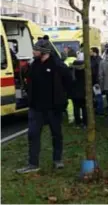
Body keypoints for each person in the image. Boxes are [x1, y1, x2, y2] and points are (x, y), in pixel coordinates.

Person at [17, 40, 72, 174]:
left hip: (53, 107)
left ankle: (57, 160)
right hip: (36, 107)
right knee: (33, 134)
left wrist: (62, 99)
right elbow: (28, 81)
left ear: (44, 51)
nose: (33, 52)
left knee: (56, 134)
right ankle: (33, 163)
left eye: (36, 49)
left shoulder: (58, 65)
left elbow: (69, 82)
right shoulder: (34, 65)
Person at [69, 55, 88, 128]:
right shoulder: (85, 72)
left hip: (74, 93)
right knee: (84, 108)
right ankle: (85, 123)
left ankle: (77, 123)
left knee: (76, 108)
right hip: (83, 92)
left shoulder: (71, 72)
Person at [90, 47, 104, 115]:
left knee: (98, 96)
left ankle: (100, 111)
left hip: (96, 81)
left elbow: (97, 71)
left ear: (94, 52)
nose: (89, 52)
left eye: (91, 51)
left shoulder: (97, 60)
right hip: (93, 81)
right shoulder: (93, 59)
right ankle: (97, 110)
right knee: (96, 96)